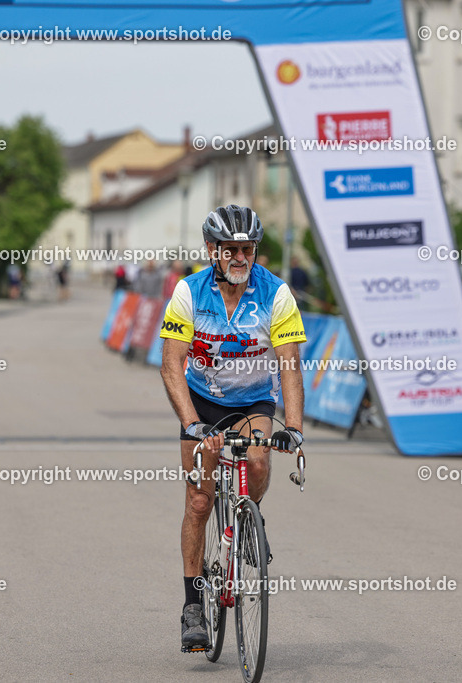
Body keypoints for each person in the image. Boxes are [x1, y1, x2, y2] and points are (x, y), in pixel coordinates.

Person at [159, 204, 307, 653]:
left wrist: (294, 429)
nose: (241, 258)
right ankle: (191, 607)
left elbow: (290, 367)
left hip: (252, 400)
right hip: (201, 401)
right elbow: (171, 365)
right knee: (200, 500)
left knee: (258, 461)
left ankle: (245, 518)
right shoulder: (188, 292)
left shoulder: (276, 294)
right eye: (231, 250)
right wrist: (191, 425)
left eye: (248, 249)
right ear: (212, 251)